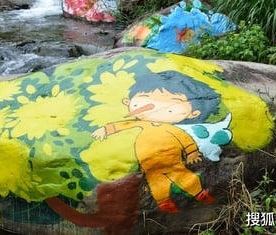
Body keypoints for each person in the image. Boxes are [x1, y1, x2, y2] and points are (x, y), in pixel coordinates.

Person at [91, 70, 221, 213]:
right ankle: (164, 203)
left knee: (187, 178)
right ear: (127, 102)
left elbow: (185, 139)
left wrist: (192, 153)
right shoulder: (141, 124)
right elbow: (123, 125)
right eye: (145, 99)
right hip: (150, 168)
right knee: (158, 186)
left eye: (172, 103)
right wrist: (106, 129)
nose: (156, 107)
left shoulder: (171, 129)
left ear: (193, 113)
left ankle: (199, 194)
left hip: (174, 163)